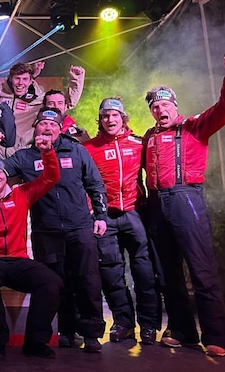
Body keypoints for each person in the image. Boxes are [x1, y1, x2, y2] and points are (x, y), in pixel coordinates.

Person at [142, 52, 225, 357]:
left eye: (165, 105)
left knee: (202, 269)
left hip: (187, 198)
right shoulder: (148, 135)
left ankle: (216, 336)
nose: (160, 109)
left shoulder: (193, 126)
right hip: (156, 204)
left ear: (175, 106)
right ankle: (182, 330)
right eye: (155, 106)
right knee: (167, 272)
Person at [3, 107, 108, 353]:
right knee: (55, 282)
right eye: (42, 124)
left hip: (80, 226)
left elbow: (95, 184)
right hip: (46, 230)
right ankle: (65, 330)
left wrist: (101, 216)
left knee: (88, 279)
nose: (47, 129)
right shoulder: (25, 157)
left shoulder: (76, 150)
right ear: (36, 128)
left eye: (52, 125)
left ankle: (91, 333)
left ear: (59, 128)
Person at [0, 135, 62, 360]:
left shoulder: (22, 194)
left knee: (51, 282)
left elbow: (51, 177)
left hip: (18, 260)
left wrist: (47, 152)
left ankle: (36, 342)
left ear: (6, 177)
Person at [83, 98, 160, 344]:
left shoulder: (138, 144)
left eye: (115, 115)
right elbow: (85, 185)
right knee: (111, 273)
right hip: (106, 218)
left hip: (135, 213)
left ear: (123, 118)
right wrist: (94, 212)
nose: (110, 120)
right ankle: (123, 322)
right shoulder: (90, 148)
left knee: (144, 272)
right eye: (105, 116)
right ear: (100, 119)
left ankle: (148, 324)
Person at [0, 62, 84, 155]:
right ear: (11, 79)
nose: (20, 83)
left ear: (31, 81)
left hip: (19, 153)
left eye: (25, 79)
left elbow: (67, 102)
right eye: (17, 79)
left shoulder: (38, 100)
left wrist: (76, 79)